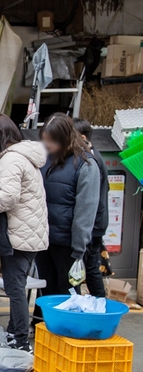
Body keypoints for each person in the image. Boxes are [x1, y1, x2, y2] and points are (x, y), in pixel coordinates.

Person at [0, 114, 49, 352]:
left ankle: (21, 341)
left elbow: (8, 197)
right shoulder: (23, 156)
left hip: (19, 235)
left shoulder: (11, 160)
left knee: (15, 289)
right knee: (16, 286)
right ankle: (14, 333)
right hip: (29, 233)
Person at [36, 114, 100, 302]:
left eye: (51, 141)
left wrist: (79, 249)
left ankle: (65, 330)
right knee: (45, 290)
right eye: (44, 140)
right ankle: (42, 327)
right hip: (44, 239)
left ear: (64, 138)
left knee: (66, 292)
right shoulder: (45, 160)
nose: (47, 145)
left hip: (68, 244)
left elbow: (85, 211)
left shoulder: (86, 165)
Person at [73, 118, 109, 298]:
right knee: (90, 266)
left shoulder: (90, 160)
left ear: (82, 137)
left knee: (86, 267)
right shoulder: (93, 156)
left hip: (93, 223)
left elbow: (93, 199)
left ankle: (98, 303)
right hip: (96, 222)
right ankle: (98, 303)